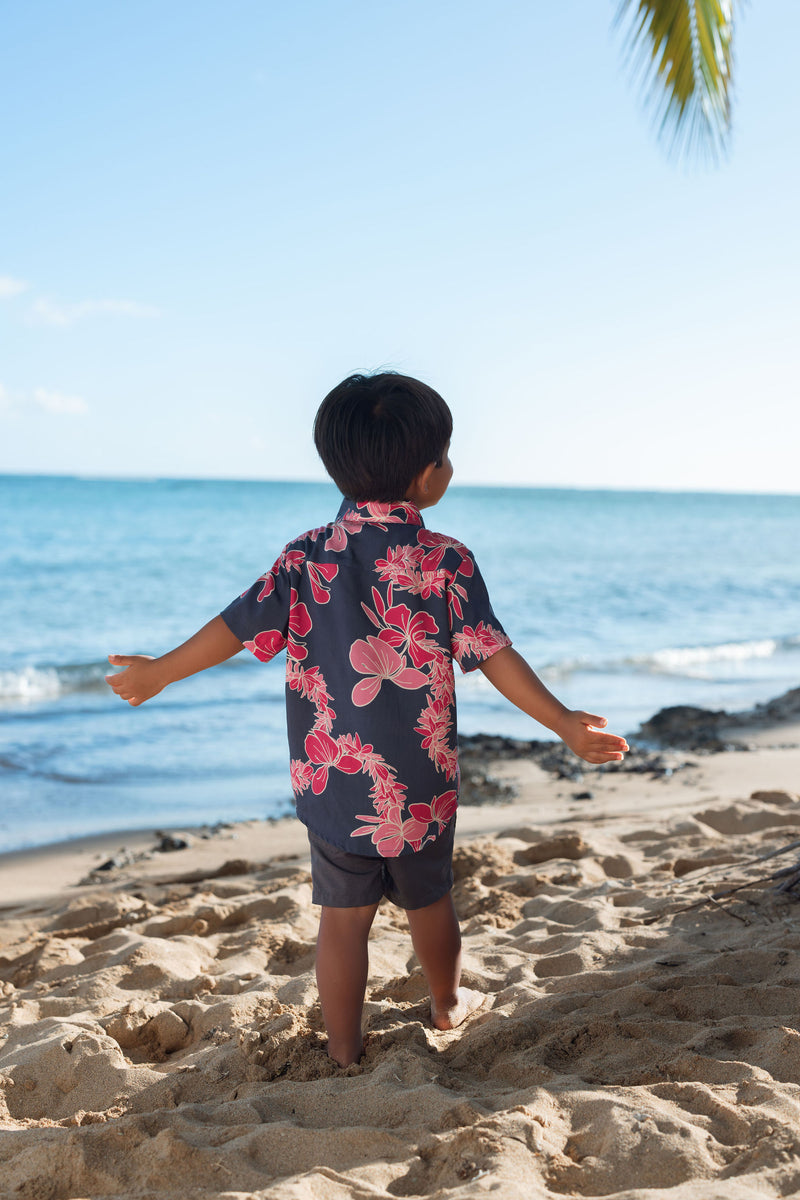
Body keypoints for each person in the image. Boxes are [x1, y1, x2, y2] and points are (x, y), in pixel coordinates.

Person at [106, 371, 628, 1067]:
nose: (449, 466)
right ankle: (446, 1006)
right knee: (431, 902)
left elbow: (234, 629)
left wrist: (158, 673)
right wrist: (563, 723)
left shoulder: (305, 556)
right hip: (419, 787)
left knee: (342, 924)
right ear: (423, 477)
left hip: (334, 782)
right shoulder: (445, 562)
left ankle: (345, 1052)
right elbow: (492, 653)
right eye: (444, 454)